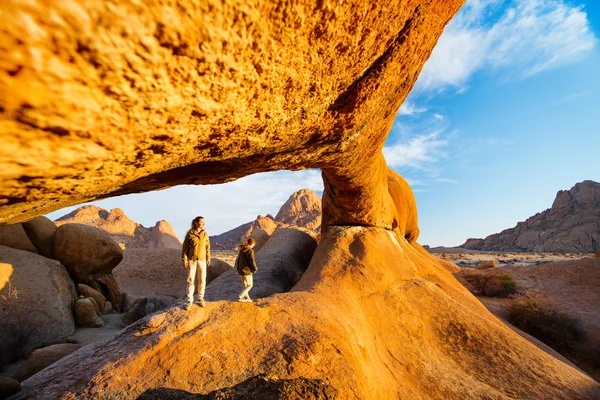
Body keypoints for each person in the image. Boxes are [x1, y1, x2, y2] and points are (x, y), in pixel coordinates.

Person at [181, 216, 211, 310]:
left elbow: (207, 246)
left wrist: (208, 258)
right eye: (201, 222)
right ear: (196, 223)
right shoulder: (190, 234)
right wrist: (185, 259)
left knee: (202, 279)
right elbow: (185, 248)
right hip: (192, 260)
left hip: (202, 260)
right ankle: (189, 301)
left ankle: (200, 299)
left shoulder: (205, 234)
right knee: (190, 280)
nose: (203, 224)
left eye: (203, 222)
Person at [235, 238, 258, 302]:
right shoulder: (250, 251)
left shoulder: (242, 249)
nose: (254, 246)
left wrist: (238, 269)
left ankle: (246, 297)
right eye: (254, 244)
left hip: (240, 270)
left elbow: (238, 260)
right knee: (250, 285)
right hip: (247, 270)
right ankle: (241, 295)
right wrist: (255, 268)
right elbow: (252, 261)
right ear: (252, 244)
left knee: (245, 285)